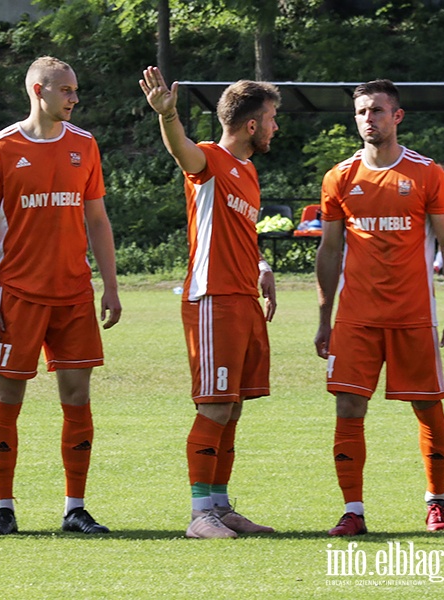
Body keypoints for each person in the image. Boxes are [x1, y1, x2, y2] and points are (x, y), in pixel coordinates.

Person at [0, 56, 122, 535]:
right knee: (7, 396)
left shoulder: (84, 145)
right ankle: (4, 508)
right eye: (66, 91)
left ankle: (74, 508)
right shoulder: (0, 148)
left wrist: (111, 285)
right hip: (16, 294)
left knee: (77, 398)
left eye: (75, 90)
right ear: (40, 91)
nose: (74, 99)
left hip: (74, 294)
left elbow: (97, 220)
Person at [314, 79, 444, 536]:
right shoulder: (340, 177)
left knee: (427, 408)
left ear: (396, 116)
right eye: (362, 112)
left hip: (413, 315)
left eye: (377, 111)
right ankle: (353, 510)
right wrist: (324, 319)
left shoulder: (426, 174)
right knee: (347, 408)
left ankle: (435, 502)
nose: (369, 119)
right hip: (356, 317)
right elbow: (329, 250)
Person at [140, 67, 279, 539]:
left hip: (243, 298)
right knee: (215, 406)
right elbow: (182, 149)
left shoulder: (249, 173)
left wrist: (261, 267)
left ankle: (220, 507)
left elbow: (240, 233)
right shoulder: (211, 161)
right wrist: (168, 115)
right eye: (272, 118)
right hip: (213, 299)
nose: (276, 127)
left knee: (234, 406)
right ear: (253, 125)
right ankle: (200, 515)